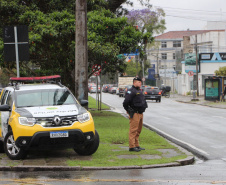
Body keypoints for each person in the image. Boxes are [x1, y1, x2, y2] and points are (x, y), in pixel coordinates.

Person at [123, 77, 148, 152]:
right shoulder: (131, 91)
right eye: (138, 82)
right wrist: (128, 110)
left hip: (140, 113)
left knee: (138, 130)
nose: (140, 83)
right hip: (135, 113)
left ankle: (137, 145)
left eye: (140, 82)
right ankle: (132, 146)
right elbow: (125, 102)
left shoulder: (139, 91)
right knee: (133, 130)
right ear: (134, 83)